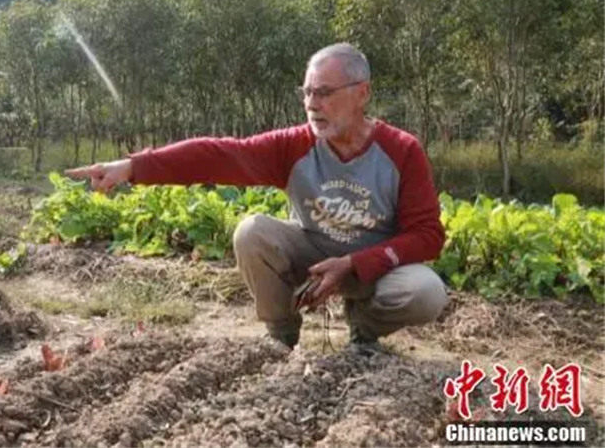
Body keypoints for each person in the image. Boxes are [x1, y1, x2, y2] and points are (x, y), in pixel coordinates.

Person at [66, 43, 448, 351]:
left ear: (362, 93)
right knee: (251, 232)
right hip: (312, 256)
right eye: (308, 92)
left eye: (325, 93)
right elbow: (217, 154)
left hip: (371, 268)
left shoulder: (401, 150)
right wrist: (132, 168)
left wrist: (352, 264)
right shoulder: (295, 145)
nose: (313, 104)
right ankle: (281, 334)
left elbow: (428, 235)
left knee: (426, 291)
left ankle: (363, 332)